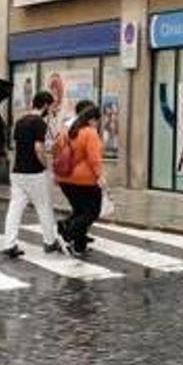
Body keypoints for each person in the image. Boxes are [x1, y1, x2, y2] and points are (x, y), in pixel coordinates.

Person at [2, 91, 63, 259]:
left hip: (17, 172)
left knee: (15, 209)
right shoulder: (39, 123)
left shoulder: (20, 122)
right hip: (35, 173)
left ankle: (9, 244)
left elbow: (14, 149)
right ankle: (50, 242)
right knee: (44, 207)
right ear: (45, 105)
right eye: (50, 107)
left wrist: (12, 170)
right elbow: (38, 148)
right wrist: (47, 167)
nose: (51, 110)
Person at [56, 106, 105, 257]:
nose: (97, 124)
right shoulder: (90, 133)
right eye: (97, 121)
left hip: (65, 179)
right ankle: (66, 232)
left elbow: (55, 149)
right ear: (92, 120)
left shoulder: (67, 131)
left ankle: (79, 245)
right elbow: (94, 159)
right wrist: (100, 176)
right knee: (92, 212)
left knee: (79, 211)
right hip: (84, 180)